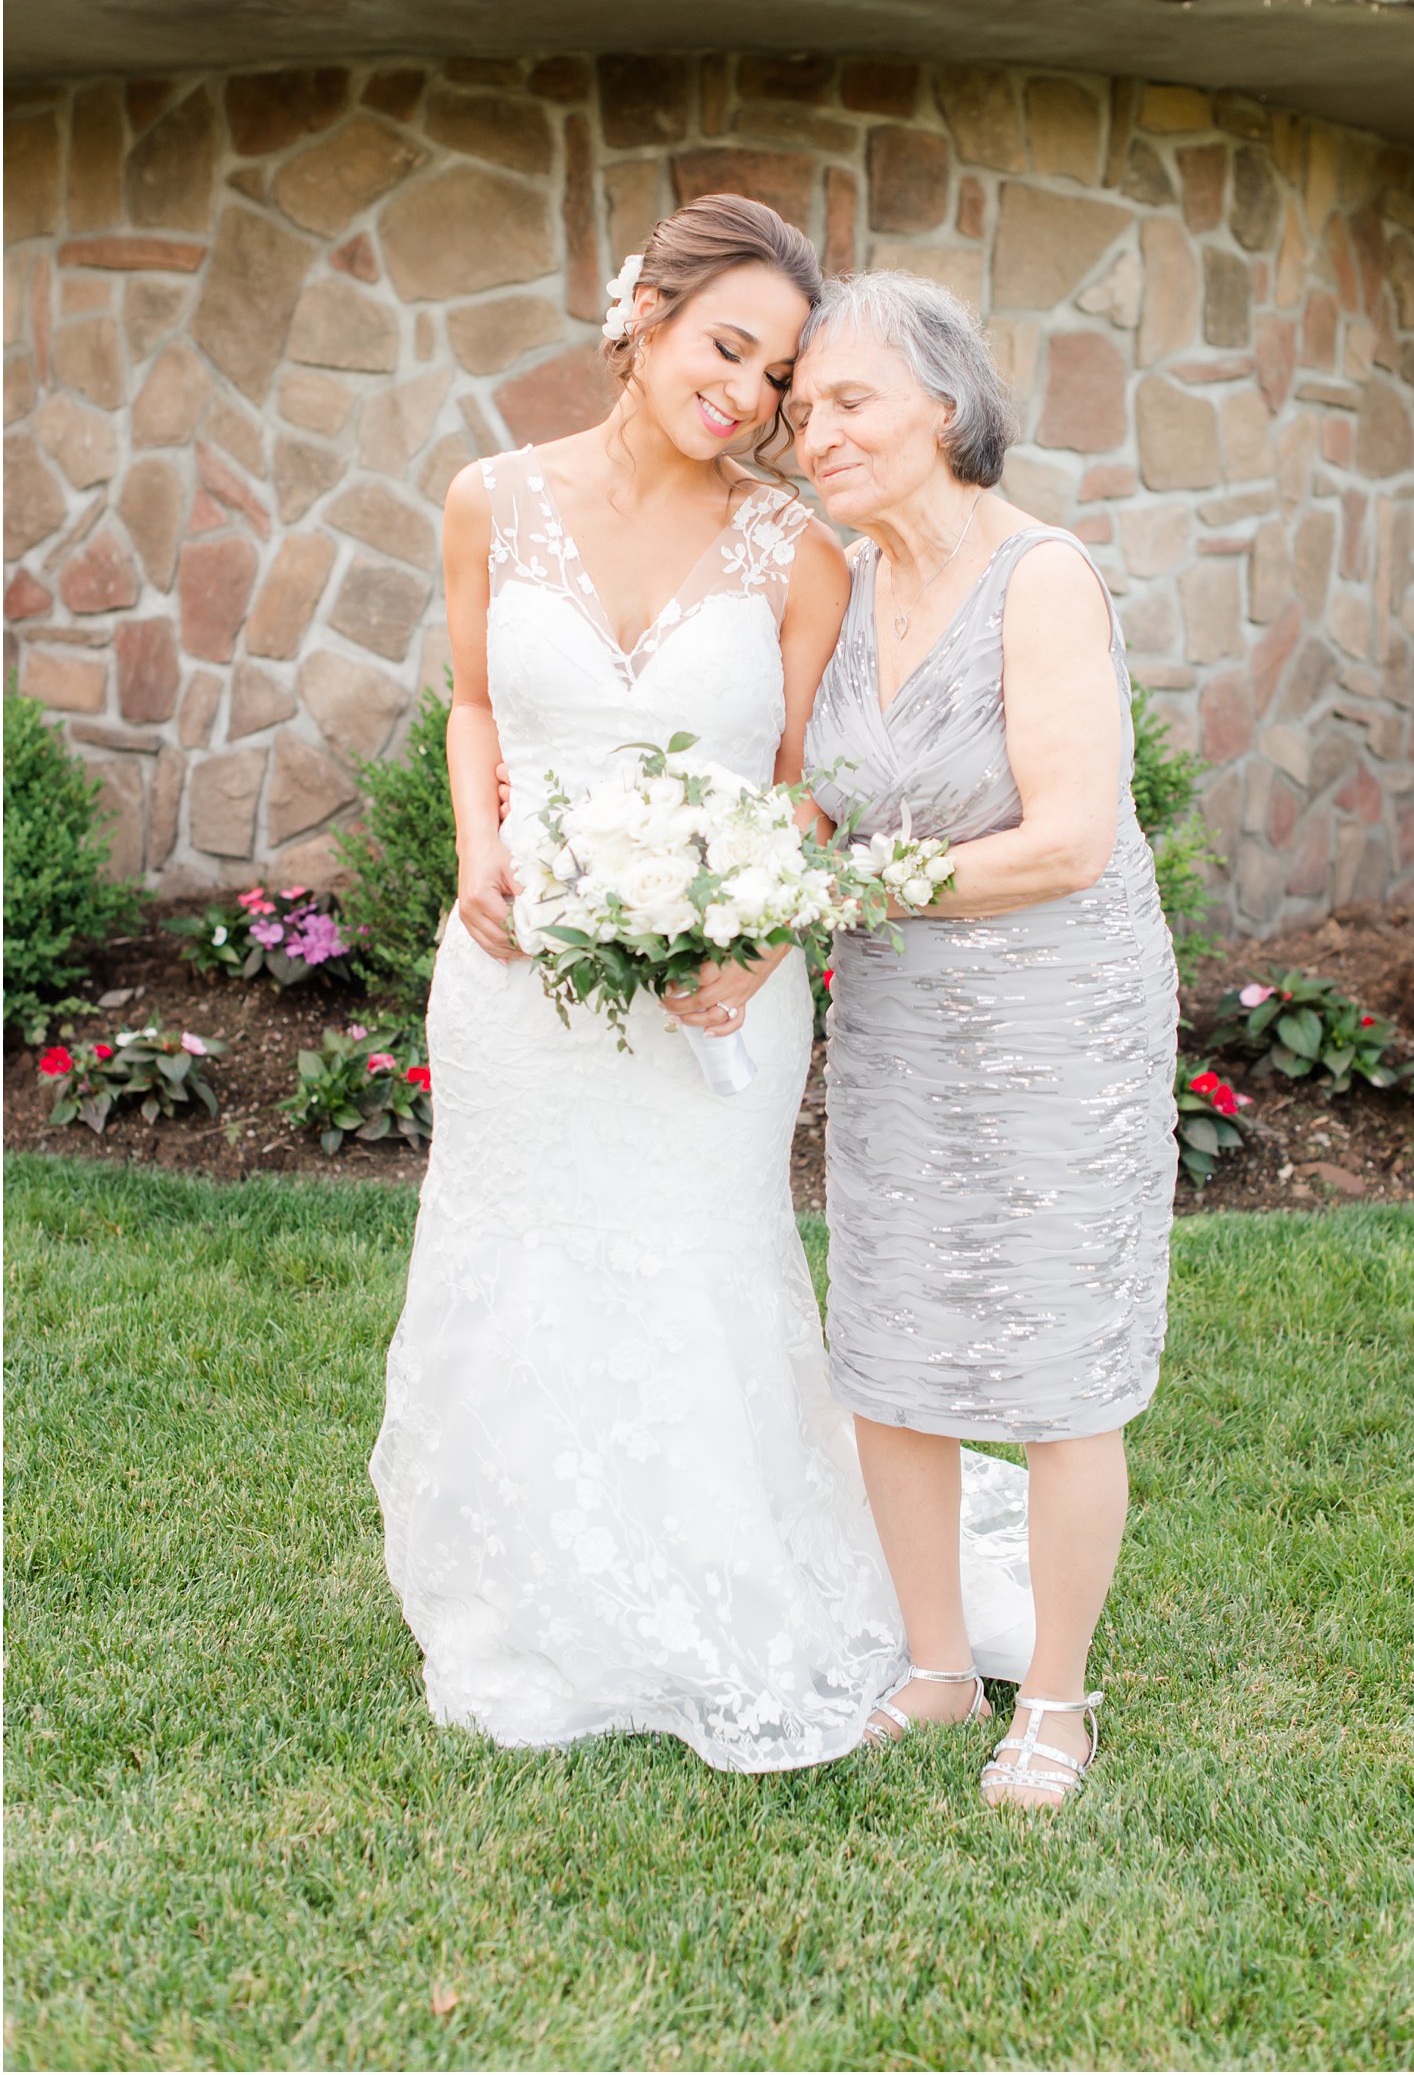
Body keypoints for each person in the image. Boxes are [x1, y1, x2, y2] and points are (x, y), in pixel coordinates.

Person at [369, 201, 1032, 1774]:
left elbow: (810, 781)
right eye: (725, 346)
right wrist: (481, 853)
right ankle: (533, 1595)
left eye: (780, 377)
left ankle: (722, 1580)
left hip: (720, 988)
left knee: (692, 1264)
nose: (745, 395)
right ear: (644, 317)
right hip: (516, 977)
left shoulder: (797, 549)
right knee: (518, 1259)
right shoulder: (489, 500)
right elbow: (473, 702)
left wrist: (751, 933)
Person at [793, 272, 1178, 1809]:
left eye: (849, 402)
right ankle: (939, 1668)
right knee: (890, 1342)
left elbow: (1070, 841)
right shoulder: (842, 580)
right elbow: (817, 788)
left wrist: (839, 884)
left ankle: (1060, 1700)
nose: (815, 432)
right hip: (896, 1012)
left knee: (1057, 1358)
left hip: (1055, 1012)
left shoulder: (1042, 579)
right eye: (804, 410)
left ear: (943, 408)